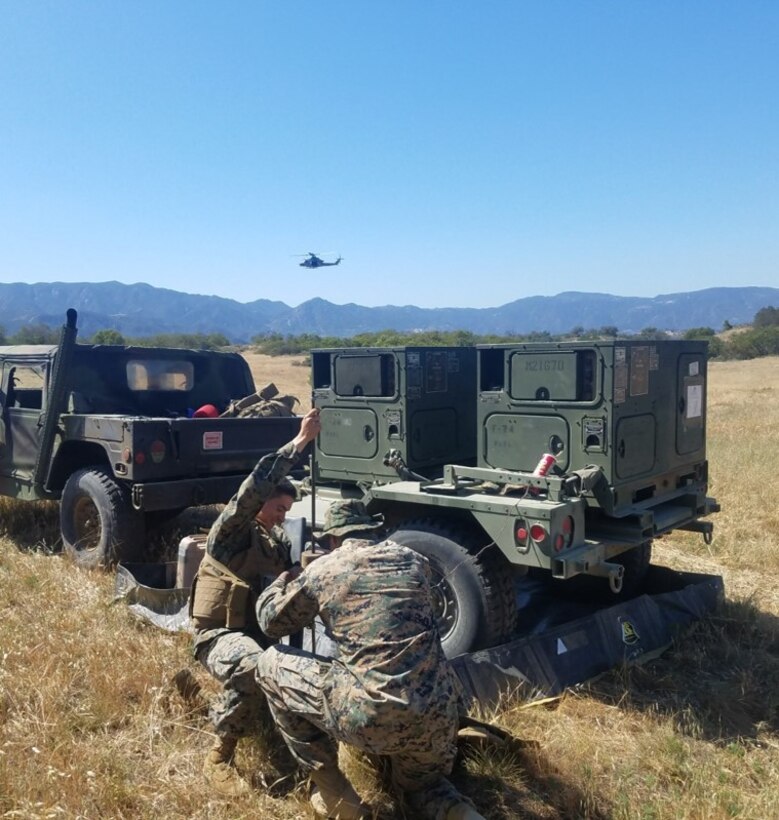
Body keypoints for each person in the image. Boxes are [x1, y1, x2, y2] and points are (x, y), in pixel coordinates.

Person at [255, 500, 486, 820]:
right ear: (371, 530)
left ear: (333, 538)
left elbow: (271, 622)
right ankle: (460, 811)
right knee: (422, 788)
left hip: (370, 716)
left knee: (269, 663)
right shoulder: (414, 561)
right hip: (438, 716)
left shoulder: (326, 569)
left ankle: (339, 799)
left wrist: (283, 581)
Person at [188, 407, 321, 796]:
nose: (282, 518)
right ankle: (220, 755)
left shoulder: (277, 544)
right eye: (278, 508)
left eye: (286, 512)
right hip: (220, 635)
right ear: (262, 504)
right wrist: (299, 444)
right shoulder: (231, 531)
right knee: (252, 666)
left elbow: (293, 585)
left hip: (264, 636)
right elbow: (253, 487)